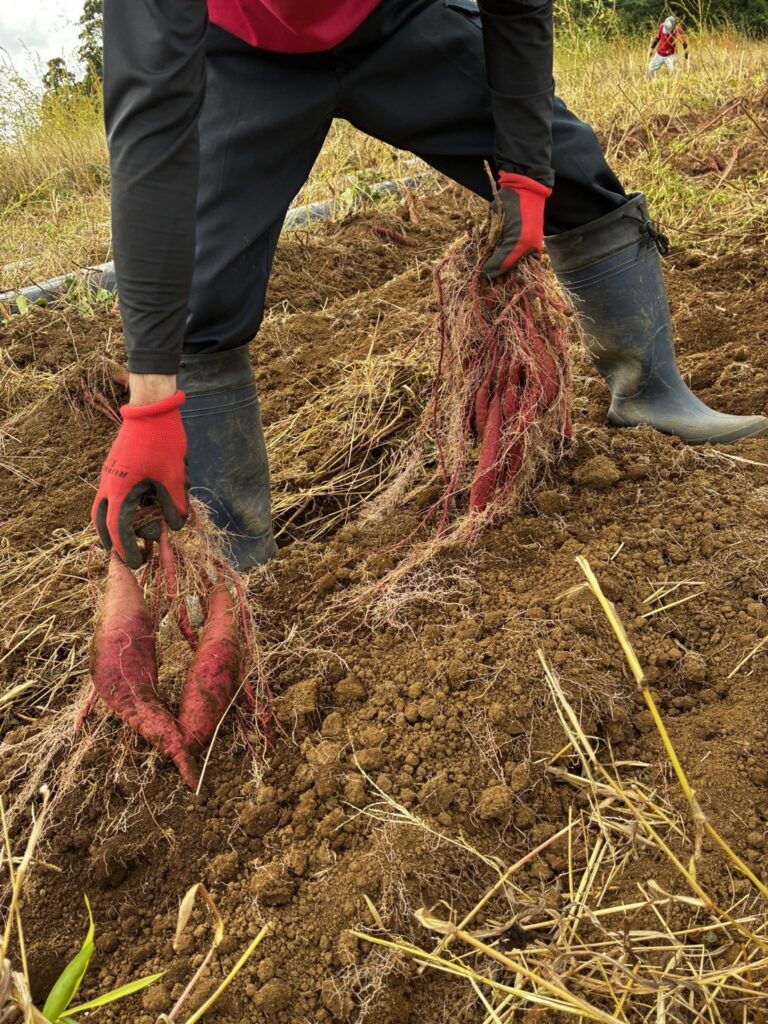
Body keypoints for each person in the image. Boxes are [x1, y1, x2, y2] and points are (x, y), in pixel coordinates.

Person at [93, 0, 767, 571]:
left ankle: (653, 394)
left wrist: (528, 172)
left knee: (571, 169)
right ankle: (238, 558)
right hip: (242, 49)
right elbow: (152, 127)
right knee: (201, 296)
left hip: (399, 18)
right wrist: (151, 404)